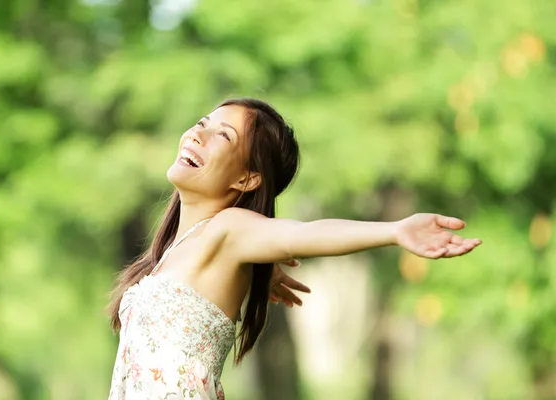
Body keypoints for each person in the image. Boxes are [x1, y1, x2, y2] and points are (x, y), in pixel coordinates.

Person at [106, 98, 482, 399]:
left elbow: (301, 233)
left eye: (223, 136)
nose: (197, 135)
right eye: (203, 123)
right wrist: (256, 268)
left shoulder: (225, 229)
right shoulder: (179, 252)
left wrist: (394, 230)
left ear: (247, 178)